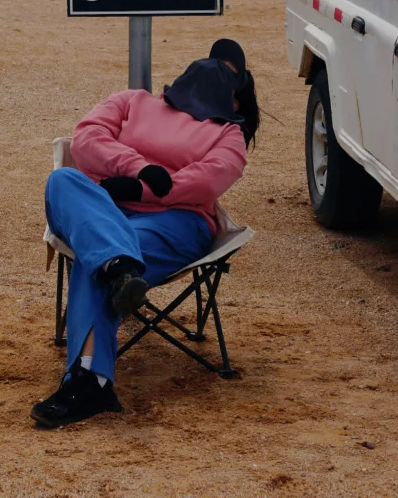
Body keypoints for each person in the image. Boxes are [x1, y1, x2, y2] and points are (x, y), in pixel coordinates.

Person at [30, 38, 259, 428]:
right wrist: (135, 167)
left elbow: (205, 182)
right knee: (64, 180)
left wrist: (142, 189)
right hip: (105, 210)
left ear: (236, 101)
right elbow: (86, 138)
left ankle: (88, 381)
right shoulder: (133, 100)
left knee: (97, 258)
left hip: (173, 222)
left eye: (226, 74)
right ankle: (117, 269)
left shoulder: (228, 135)